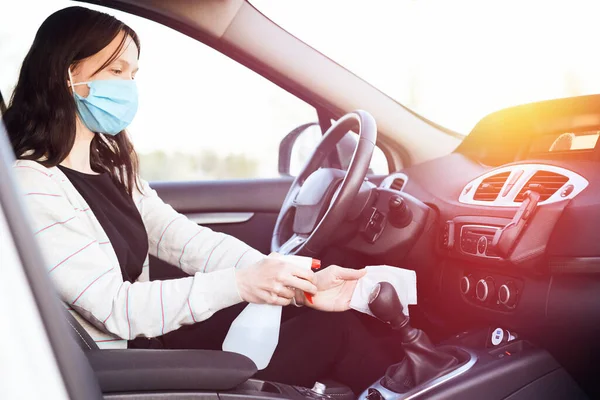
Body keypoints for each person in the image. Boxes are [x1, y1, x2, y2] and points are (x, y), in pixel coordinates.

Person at [5, 6, 399, 394]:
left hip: (148, 343)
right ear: (68, 75)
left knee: (323, 321)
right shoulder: (33, 186)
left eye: (133, 73)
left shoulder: (108, 170)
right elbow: (116, 308)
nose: (128, 86)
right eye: (115, 70)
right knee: (333, 334)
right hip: (125, 368)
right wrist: (243, 284)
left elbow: (184, 240)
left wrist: (300, 284)